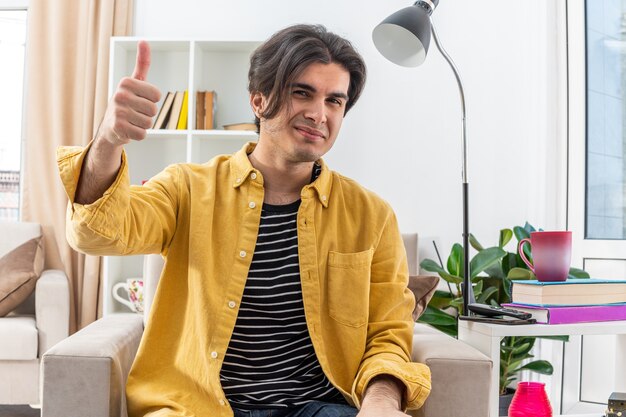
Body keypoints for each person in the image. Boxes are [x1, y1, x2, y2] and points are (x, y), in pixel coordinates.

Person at [58, 24, 431, 417]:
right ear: (258, 100)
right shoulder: (186, 187)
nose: (318, 113)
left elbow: (388, 334)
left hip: (317, 407)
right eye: (301, 92)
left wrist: (381, 402)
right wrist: (108, 141)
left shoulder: (371, 216)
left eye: (334, 101)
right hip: (196, 405)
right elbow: (96, 234)